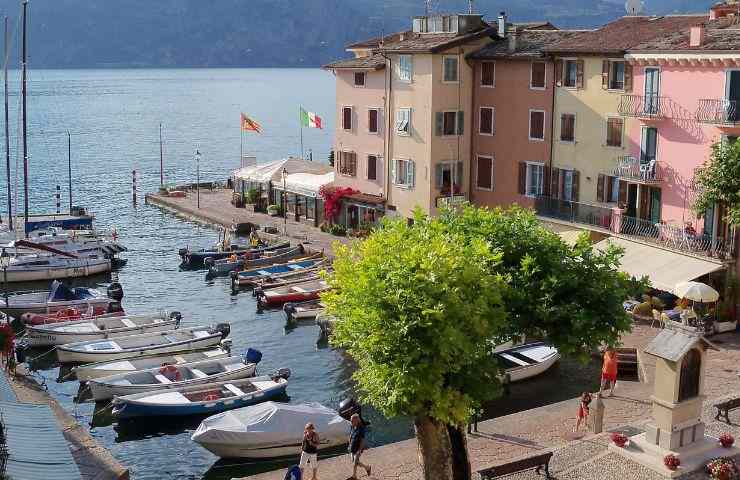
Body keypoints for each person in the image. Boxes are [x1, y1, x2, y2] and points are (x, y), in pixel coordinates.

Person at [349, 413, 371, 478]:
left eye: (352, 421)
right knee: (355, 462)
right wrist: (349, 445)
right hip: (352, 447)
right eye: (351, 420)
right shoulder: (352, 426)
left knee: (355, 463)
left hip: (358, 448)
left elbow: (362, 441)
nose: (351, 422)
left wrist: (359, 450)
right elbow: (350, 435)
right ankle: (367, 467)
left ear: (357, 420)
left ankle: (354, 476)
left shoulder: (361, 428)